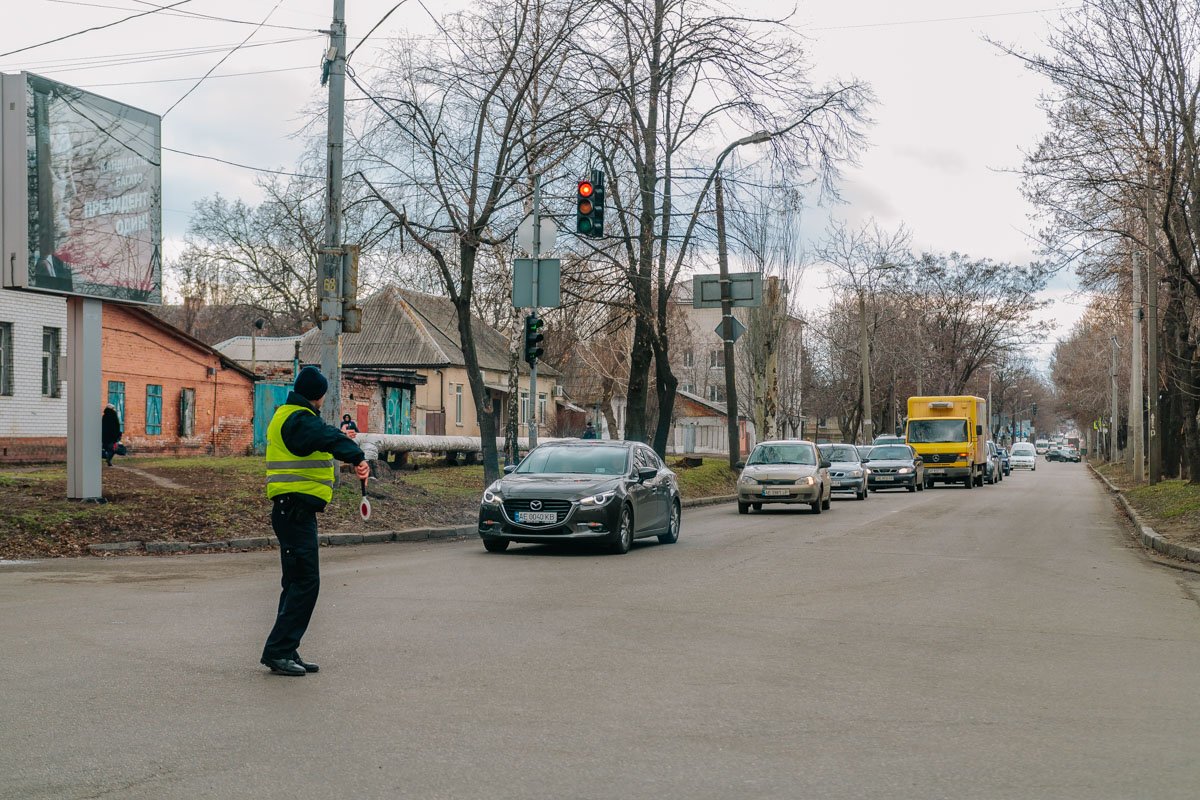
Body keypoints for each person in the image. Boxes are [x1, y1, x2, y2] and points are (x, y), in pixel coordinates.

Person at [261, 366, 370, 677]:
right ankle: (278, 650)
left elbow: (321, 438)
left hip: (292, 511)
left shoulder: (292, 416)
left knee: (295, 582)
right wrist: (357, 456)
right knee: (306, 582)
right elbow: (323, 435)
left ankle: (287, 647)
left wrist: (346, 447)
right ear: (319, 395)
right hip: (293, 511)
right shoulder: (297, 418)